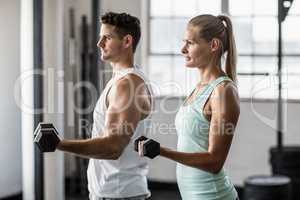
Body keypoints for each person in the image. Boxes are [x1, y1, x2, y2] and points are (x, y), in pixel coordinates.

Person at [138, 14, 240, 200]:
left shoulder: (223, 91)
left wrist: (161, 151)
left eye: (190, 43)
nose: (183, 49)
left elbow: (214, 161)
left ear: (213, 45)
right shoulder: (200, 88)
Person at [57, 12, 153, 200]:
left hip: (118, 194)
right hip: (114, 192)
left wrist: (59, 144)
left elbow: (112, 147)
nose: (99, 43)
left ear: (127, 41)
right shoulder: (124, 79)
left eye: (107, 38)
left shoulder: (127, 85)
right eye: (100, 37)